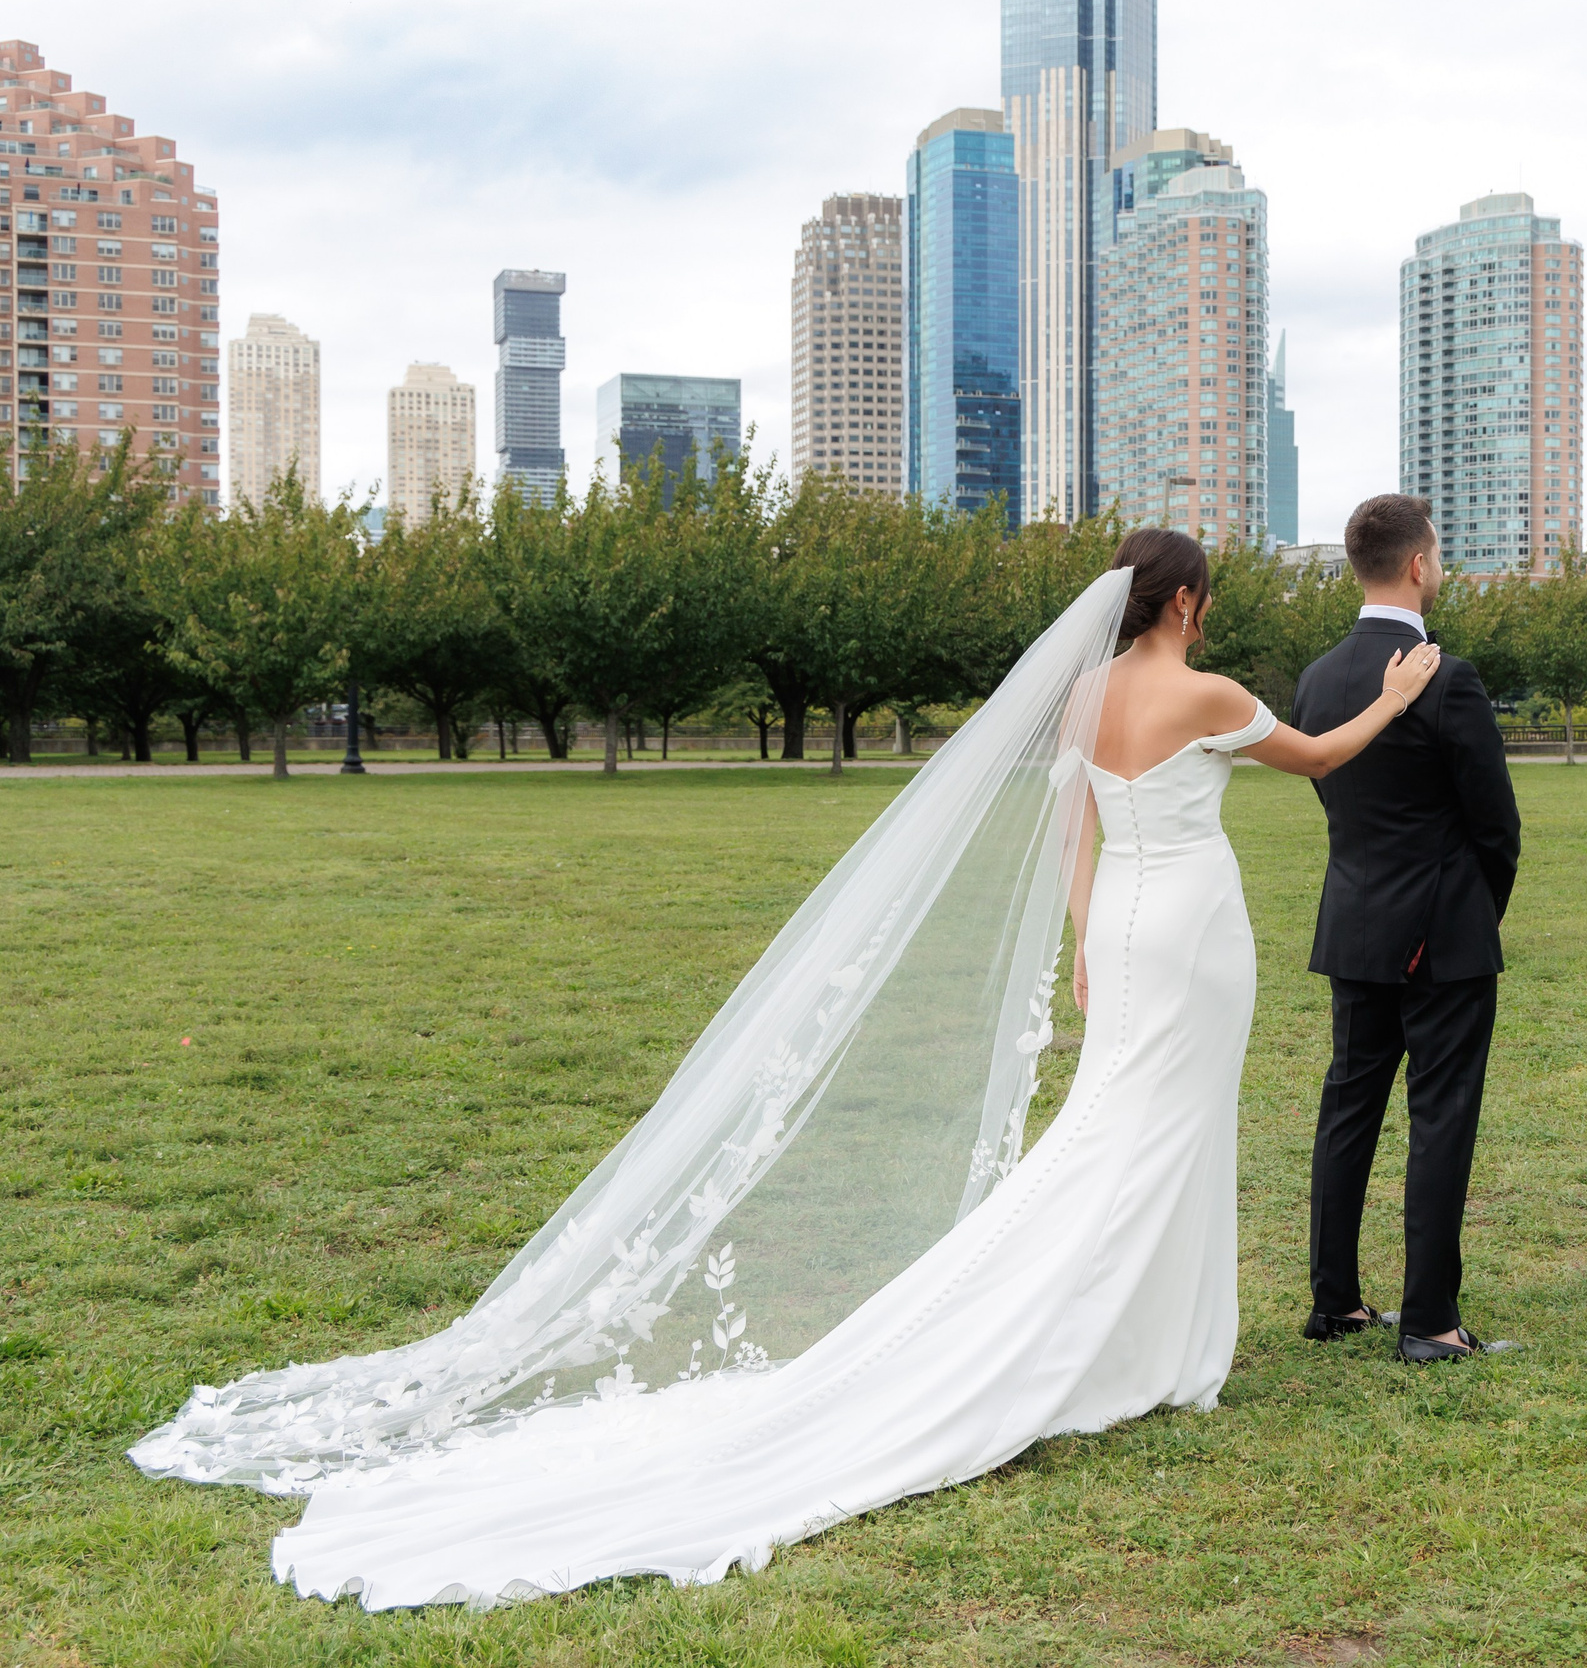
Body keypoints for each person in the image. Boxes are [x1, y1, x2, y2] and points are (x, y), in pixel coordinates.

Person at [128, 530, 1439, 1609]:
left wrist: (1085, 941)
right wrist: (1395, 691)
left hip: (1127, 926)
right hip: (1197, 928)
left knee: (1119, 1122)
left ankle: (1151, 1337)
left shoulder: (1086, 696)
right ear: (1190, 603)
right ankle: (1136, 1339)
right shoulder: (1204, 694)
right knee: (1155, 1129)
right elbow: (1319, 757)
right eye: (1206, 601)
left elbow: (1074, 824)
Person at [1291, 496, 1523, 1364]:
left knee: (1348, 1108)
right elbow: (1496, 827)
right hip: (1440, 929)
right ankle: (1429, 1321)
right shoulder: (1444, 675)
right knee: (1442, 1114)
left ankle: (1336, 1301)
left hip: (1353, 919)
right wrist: (1474, 912)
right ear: (1419, 565)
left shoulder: (1316, 680)